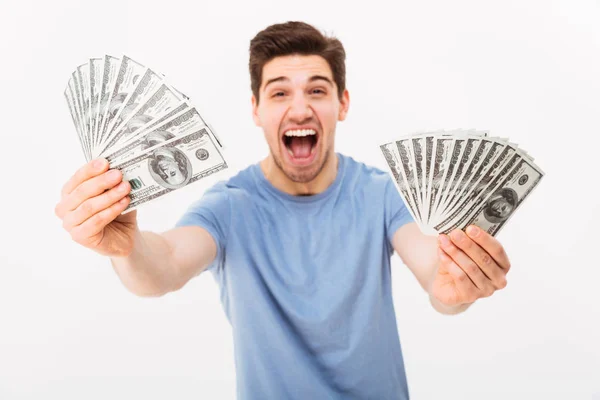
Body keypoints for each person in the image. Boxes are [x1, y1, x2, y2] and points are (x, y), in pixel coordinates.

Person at [54, 21, 512, 400]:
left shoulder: (380, 194)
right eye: (278, 93)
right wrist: (126, 247)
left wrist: (456, 289)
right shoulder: (230, 205)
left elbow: (434, 269)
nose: (299, 108)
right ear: (255, 109)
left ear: (342, 104)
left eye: (317, 90)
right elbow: (164, 266)